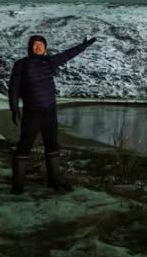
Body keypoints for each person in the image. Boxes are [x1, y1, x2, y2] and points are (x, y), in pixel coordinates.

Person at [8, 33, 96, 194]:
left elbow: (67, 54)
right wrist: (14, 108)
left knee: (52, 145)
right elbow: (13, 88)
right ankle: (17, 185)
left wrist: (83, 46)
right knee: (24, 146)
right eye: (35, 44)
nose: (38, 47)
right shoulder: (21, 64)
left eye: (41, 44)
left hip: (49, 111)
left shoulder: (49, 62)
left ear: (45, 48)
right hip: (32, 112)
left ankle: (54, 181)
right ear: (30, 47)